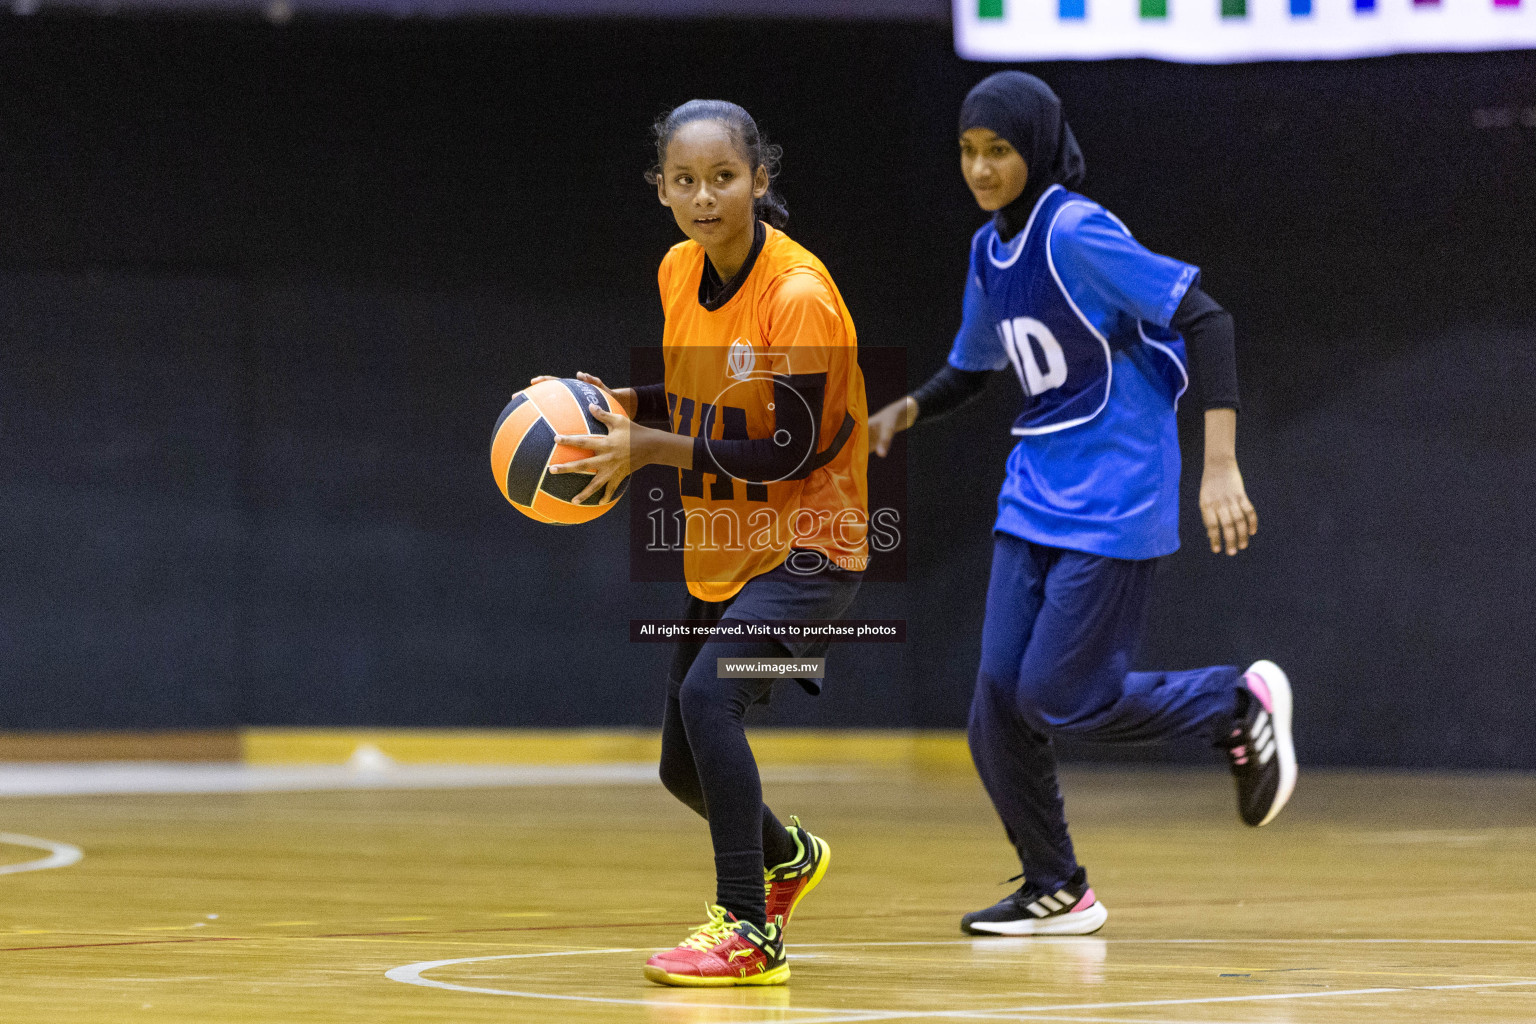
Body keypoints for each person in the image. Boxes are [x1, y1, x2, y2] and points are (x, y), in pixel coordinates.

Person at [868, 71, 1295, 936]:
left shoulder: (1075, 229)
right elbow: (979, 363)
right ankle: (1056, 886)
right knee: (995, 708)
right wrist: (908, 408)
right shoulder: (991, 249)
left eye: (999, 151)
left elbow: (1207, 318)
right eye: (967, 152)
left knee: (1059, 697)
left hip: (1115, 491)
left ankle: (1235, 702)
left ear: (1036, 148)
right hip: (1034, 494)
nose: (981, 169)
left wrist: (1218, 467)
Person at [531, 99, 868, 984]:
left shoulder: (798, 296)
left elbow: (789, 448)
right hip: (730, 547)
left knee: (712, 701)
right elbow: (698, 386)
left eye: (724, 177)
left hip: (813, 551)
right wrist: (631, 406)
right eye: (685, 180)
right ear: (662, 190)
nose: (705, 196)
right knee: (682, 769)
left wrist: (652, 450)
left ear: (761, 179)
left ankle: (750, 931)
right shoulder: (680, 269)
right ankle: (789, 855)